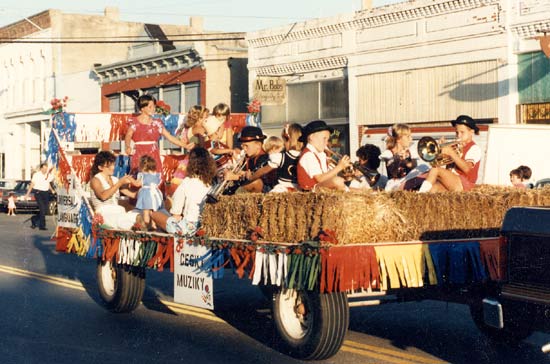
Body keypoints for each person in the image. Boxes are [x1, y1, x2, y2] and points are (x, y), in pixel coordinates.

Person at [151, 147, 217, 235]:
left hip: (187, 228)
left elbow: (176, 211)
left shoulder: (187, 182)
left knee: (155, 214)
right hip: (204, 225)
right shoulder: (213, 183)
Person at [124, 95, 191, 174]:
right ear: (142, 108)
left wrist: (185, 145)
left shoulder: (157, 123)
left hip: (153, 154)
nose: (153, 109)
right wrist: (128, 146)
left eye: (154, 106)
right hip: (139, 153)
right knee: (139, 176)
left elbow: (170, 137)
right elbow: (128, 136)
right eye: (150, 107)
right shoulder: (134, 122)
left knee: (154, 176)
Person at [418, 115, 482, 193]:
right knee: (432, 189)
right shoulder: (455, 146)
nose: (458, 135)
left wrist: (451, 153)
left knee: (435, 169)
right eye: (457, 132)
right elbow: (438, 163)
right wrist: (440, 151)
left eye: (462, 132)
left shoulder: (474, 148)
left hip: (465, 184)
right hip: (451, 181)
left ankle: (420, 195)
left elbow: (467, 169)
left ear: (471, 132)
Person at [89, 151, 141, 230]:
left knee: (137, 215)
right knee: (125, 220)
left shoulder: (115, 179)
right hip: (104, 214)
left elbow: (133, 195)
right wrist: (120, 183)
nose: (113, 168)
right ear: (100, 167)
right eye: (109, 166)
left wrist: (144, 188)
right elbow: (103, 196)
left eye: (113, 164)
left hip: (119, 212)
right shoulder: (95, 180)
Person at [297, 120, 352, 192]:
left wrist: (345, 176)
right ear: (311, 137)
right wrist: (339, 167)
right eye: (324, 138)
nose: (326, 142)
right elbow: (320, 179)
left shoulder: (321, 155)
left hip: (322, 188)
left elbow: (328, 177)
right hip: (311, 190)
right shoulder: (308, 155)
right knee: (337, 181)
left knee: (353, 188)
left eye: (328, 139)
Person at [248, 123, 303, 193]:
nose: (283, 143)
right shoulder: (304, 156)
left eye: (284, 140)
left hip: (282, 189)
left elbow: (263, 171)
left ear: (288, 140)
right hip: (298, 190)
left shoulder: (281, 157)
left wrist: (251, 177)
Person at [223, 126, 272, 193]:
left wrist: (234, 177)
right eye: (243, 146)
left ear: (258, 145)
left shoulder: (264, 158)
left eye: (246, 146)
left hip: (266, 191)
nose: (244, 149)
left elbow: (254, 178)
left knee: (256, 182)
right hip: (250, 188)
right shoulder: (248, 157)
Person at [380, 124, 419, 191]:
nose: (411, 139)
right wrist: (398, 158)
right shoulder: (388, 153)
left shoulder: (411, 152)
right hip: (395, 184)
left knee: (424, 167)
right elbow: (393, 172)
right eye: (408, 136)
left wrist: (407, 160)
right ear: (398, 139)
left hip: (408, 181)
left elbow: (414, 169)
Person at [135, 155, 164, 230]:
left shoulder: (142, 175)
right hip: (156, 194)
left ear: (143, 166)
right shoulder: (156, 174)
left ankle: (146, 225)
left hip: (146, 194)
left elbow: (137, 184)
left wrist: (130, 180)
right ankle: (154, 225)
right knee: (154, 211)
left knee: (146, 211)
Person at [26, 162, 54, 230]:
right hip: (38, 193)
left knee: (45, 210)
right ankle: (42, 226)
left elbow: (48, 183)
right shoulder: (36, 175)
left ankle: (34, 219)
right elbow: (32, 184)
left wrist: (52, 190)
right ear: (41, 168)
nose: (45, 170)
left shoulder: (48, 175)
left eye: (46, 169)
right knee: (42, 209)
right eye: (44, 168)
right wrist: (27, 194)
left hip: (46, 193)